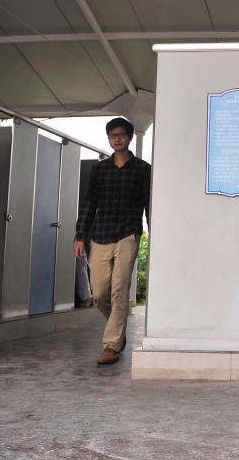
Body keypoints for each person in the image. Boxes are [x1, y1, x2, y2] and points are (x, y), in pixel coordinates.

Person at [74, 117, 151, 365]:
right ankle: (117, 331)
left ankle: (111, 346)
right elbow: (89, 204)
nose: (116, 139)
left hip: (128, 234)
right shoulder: (100, 170)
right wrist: (80, 236)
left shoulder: (143, 169)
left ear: (129, 137)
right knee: (99, 292)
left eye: (121, 135)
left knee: (120, 290)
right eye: (112, 135)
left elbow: (149, 204)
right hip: (100, 235)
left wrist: (154, 234)